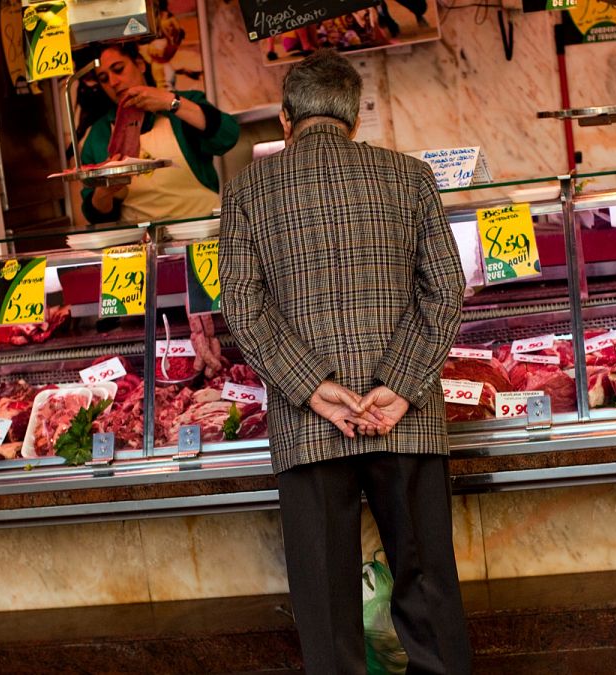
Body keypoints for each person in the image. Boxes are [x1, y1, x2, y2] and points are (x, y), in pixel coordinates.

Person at [219, 50, 472, 674]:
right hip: (404, 419)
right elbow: (445, 290)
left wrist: (315, 388)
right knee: (426, 583)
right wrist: (400, 386)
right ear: (355, 118)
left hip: (309, 424)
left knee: (327, 605)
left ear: (285, 119)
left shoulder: (246, 189)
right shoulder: (410, 175)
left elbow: (243, 308)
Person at [79, 42, 238, 224]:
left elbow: (228, 136)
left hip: (203, 230)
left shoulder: (185, 104)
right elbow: (95, 216)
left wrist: (170, 102)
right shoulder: (99, 135)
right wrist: (104, 192)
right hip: (141, 238)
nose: (113, 82)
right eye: (104, 78)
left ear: (140, 64)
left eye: (119, 69)